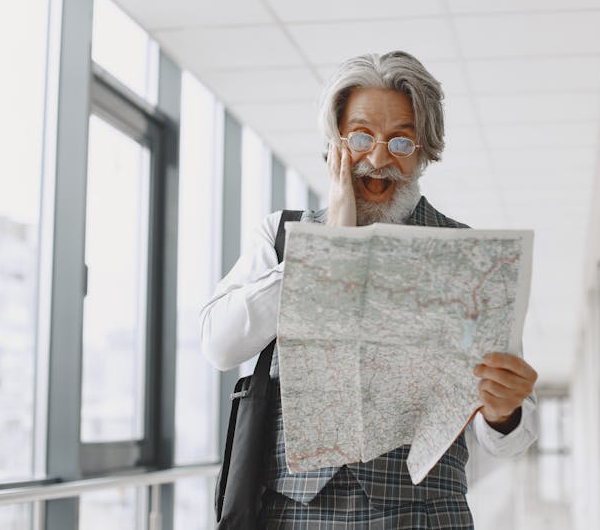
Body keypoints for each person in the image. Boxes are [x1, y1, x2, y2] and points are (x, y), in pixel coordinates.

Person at [201, 51, 538, 528]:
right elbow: (219, 345)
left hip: (423, 515)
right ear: (335, 143)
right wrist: (327, 247)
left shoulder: (470, 256)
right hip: (290, 515)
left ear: (424, 150)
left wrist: (504, 412)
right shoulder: (281, 236)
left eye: (400, 141)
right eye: (361, 137)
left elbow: (507, 439)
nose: (378, 159)